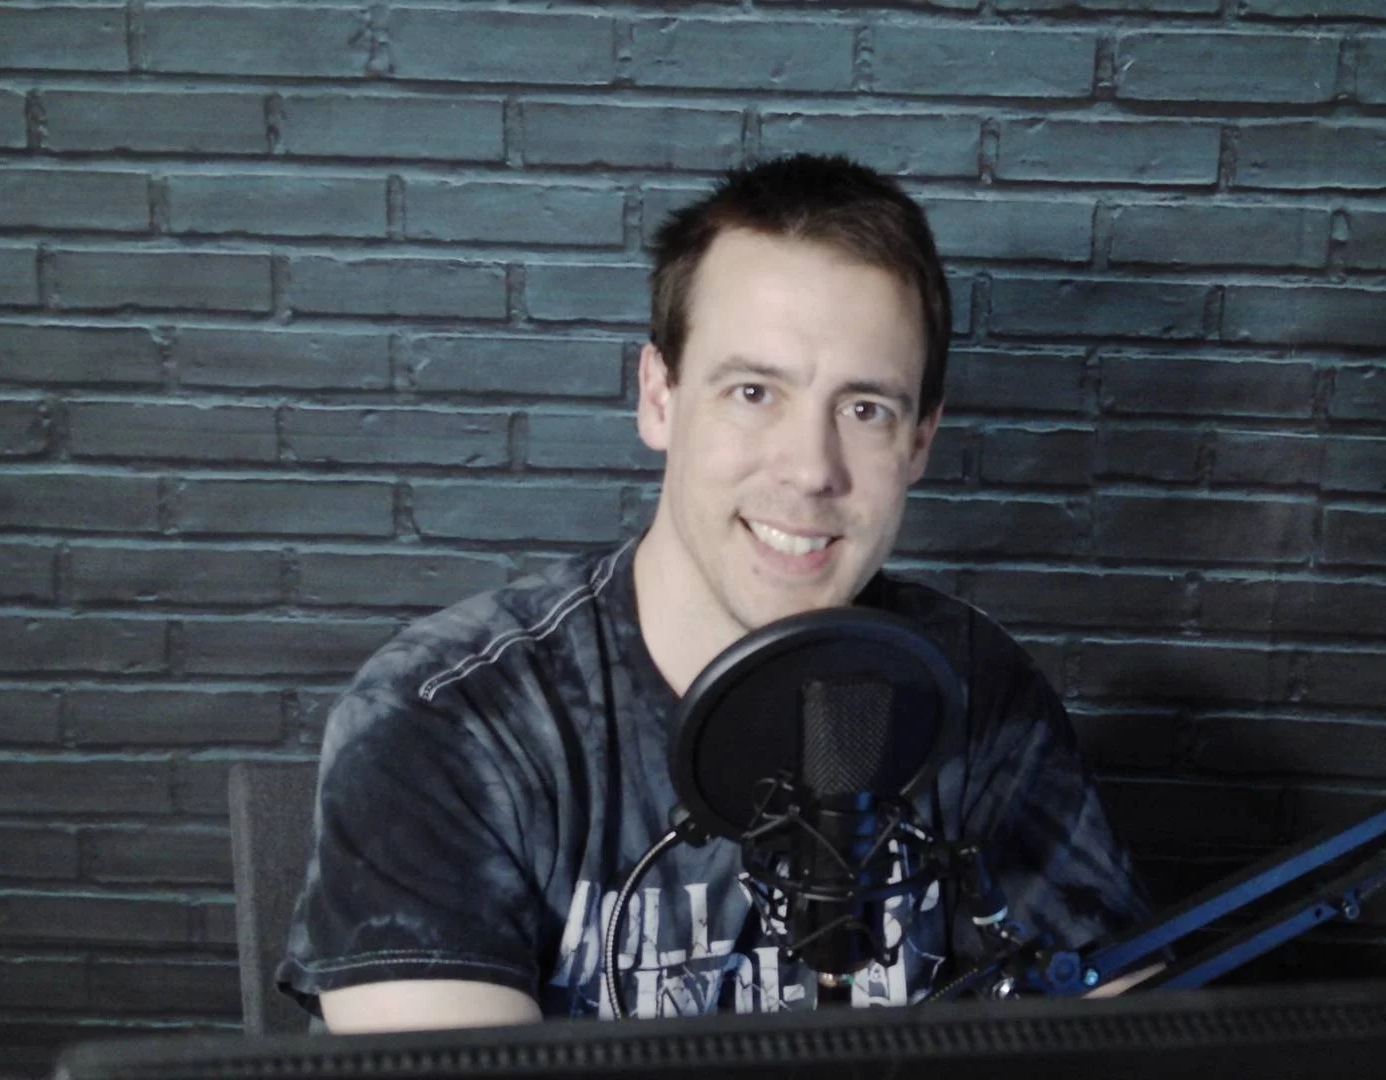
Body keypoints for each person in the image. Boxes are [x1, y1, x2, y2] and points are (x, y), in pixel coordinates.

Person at [277, 154, 1156, 1033]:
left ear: (921, 440)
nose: (811, 470)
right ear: (660, 397)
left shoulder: (973, 690)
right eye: (752, 391)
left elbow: (1137, 1041)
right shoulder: (453, 720)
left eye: (865, 410)